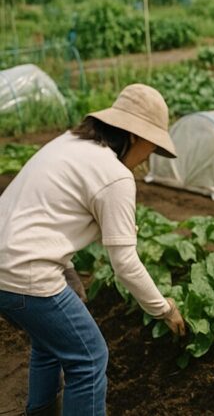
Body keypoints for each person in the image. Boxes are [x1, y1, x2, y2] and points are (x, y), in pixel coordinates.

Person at [0, 84, 187, 416]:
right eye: (152, 147)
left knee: (49, 344)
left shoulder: (69, 143)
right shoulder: (114, 176)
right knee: (89, 358)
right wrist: (164, 309)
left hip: (7, 265)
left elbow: (46, 217)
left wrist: (67, 271)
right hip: (23, 272)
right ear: (136, 136)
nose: (148, 158)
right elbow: (125, 264)